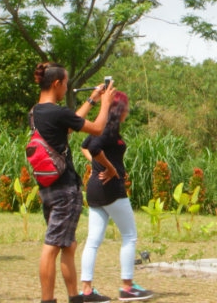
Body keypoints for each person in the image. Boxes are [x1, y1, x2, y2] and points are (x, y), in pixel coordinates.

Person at [33, 62, 115, 303]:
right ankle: (47, 300)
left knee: (67, 244)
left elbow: (69, 126)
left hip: (47, 187)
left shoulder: (37, 111)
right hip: (65, 189)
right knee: (52, 246)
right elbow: (98, 129)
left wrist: (91, 100)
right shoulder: (57, 112)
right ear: (57, 84)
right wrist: (106, 102)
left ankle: (75, 298)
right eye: (66, 83)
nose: (66, 87)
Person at [78, 91, 153, 302]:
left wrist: (98, 165)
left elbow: (86, 147)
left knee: (93, 240)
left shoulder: (101, 126)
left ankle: (86, 291)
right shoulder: (109, 129)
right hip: (111, 188)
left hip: (94, 188)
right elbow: (92, 148)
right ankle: (127, 288)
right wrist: (110, 168)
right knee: (129, 236)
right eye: (127, 107)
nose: (128, 111)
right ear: (120, 110)